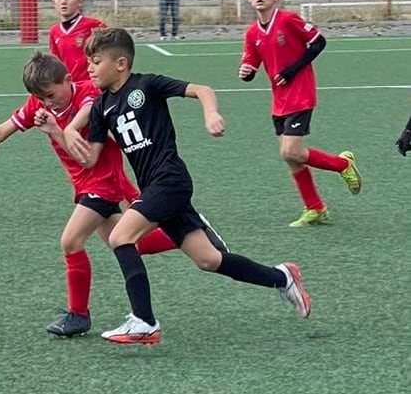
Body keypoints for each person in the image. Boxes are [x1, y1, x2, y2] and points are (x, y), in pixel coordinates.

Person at [0, 52, 232, 338]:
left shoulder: (87, 96)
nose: (47, 103)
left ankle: (79, 315)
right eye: (40, 98)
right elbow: (1, 131)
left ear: (68, 80)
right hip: (84, 185)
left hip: (102, 181)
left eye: (52, 95)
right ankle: (191, 235)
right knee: (129, 244)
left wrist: (60, 130)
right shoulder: (40, 105)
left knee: (71, 241)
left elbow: (86, 142)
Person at [62, 27, 311, 345]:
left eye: (96, 61)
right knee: (209, 260)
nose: (90, 68)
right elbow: (90, 158)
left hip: (170, 181)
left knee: (120, 237)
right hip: (155, 187)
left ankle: (144, 322)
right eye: (89, 62)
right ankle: (283, 276)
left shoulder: (147, 84)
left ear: (121, 63)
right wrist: (65, 132)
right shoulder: (100, 108)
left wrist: (211, 114)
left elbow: (202, 89)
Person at [238, 0, 361, 227]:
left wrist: (292, 70)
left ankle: (342, 164)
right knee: (290, 157)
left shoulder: (288, 20)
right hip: (278, 101)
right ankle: (315, 207)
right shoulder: (252, 33)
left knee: (291, 150)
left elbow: (318, 42)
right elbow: (251, 63)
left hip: (301, 94)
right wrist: (246, 72)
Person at [48, 0, 105, 83]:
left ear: (80, 1)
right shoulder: (54, 31)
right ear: (53, 3)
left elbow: (109, 53)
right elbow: (55, 63)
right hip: (68, 88)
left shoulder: (94, 25)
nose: (63, 2)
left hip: (90, 86)